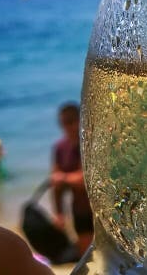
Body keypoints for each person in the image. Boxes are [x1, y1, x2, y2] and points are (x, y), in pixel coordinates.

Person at [51, 102, 93, 257]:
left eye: (71, 121)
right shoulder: (60, 148)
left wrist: (64, 178)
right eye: (63, 123)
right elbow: (56, 184)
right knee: (86, 259)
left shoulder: (91, 143)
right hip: (79, 211)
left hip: (100, 212)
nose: (67, 127)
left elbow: (90, 180)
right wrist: (59, 213)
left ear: (81, 119)